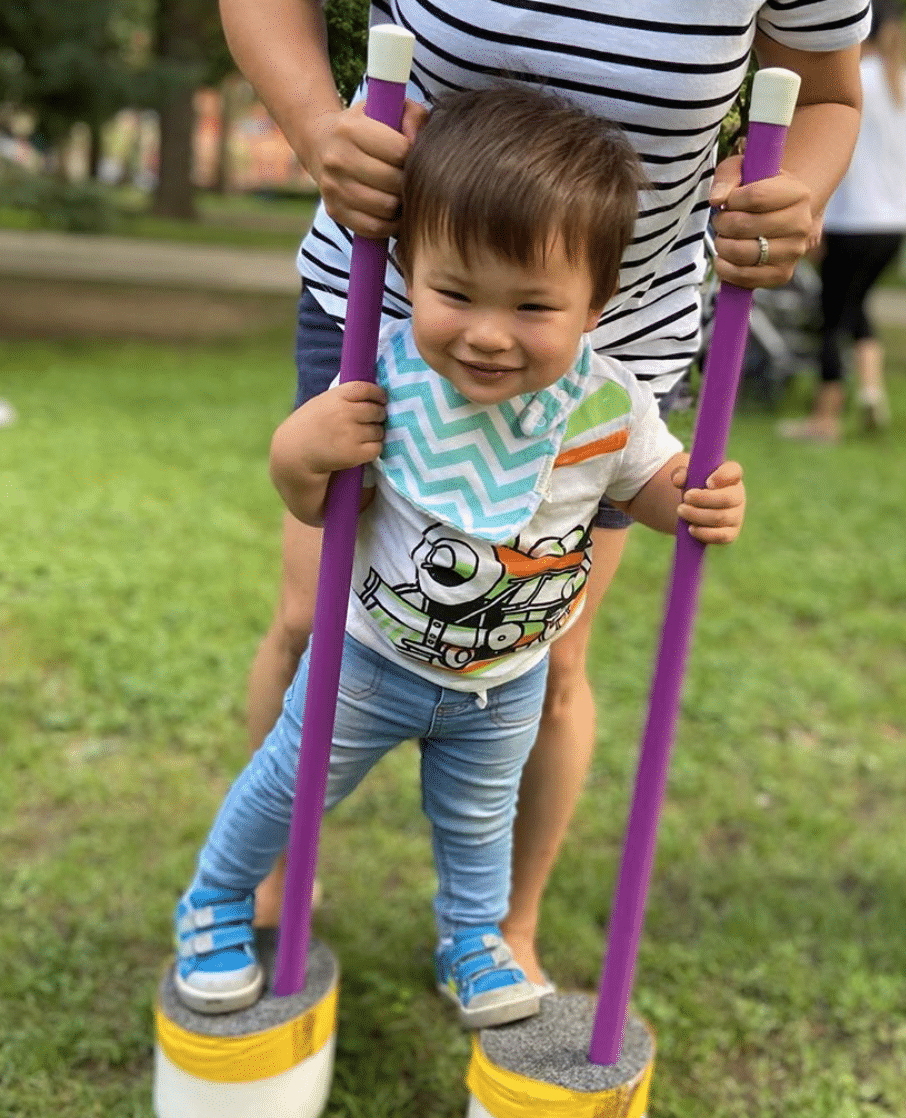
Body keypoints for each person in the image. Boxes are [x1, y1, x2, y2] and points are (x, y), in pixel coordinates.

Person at [217, 0, 870, 986]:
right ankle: (259, 889)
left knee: (545, 655)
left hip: (605, 338)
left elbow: (824, 92)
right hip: (398, 305)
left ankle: (497, 929)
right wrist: (316, 129)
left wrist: (795, 188)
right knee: (315, 619)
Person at [173, 85, 747, 1026]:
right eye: (455, 293)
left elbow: (650, 487)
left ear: (595, 305)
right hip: (367, 662)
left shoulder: (608, 403)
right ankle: (218, 900)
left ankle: (474, 934)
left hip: (506, 677)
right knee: (287, 786)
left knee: (480, 824)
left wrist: (695, 499)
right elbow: (310, 496)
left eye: (532, 305)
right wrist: (300, 451)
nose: (486, 333)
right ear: (408, 268)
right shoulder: (385, 374)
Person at [778, 0, 906, 443]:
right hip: (895, 225)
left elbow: (825, 146)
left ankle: (824, 418)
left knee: (832, 316)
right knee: (856, 307)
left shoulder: (851, 81)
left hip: (851, 220)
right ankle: (870, 391)